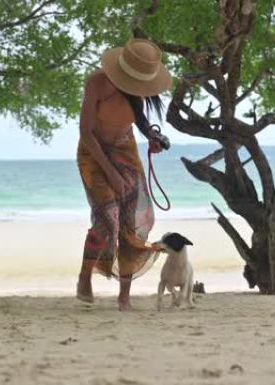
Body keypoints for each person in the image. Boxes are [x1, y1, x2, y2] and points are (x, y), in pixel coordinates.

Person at [76, 38, 173, 311]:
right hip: (93, 153)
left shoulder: (140, 89)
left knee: (130, 223)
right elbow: (85, 132)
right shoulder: (97, 82)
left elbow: (139, 119)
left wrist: (152, 136)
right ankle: (85, 277)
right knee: (108, 217)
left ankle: (124, 298)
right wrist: (111, 173)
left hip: (125, 152)